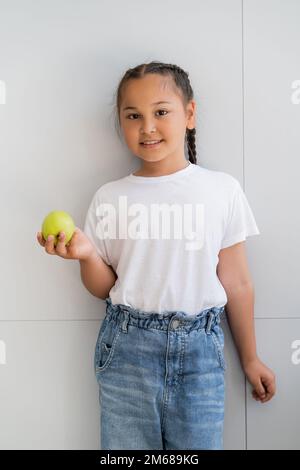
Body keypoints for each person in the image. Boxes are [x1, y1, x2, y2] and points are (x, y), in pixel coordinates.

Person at [37, 61, 276, 450]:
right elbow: (104, 288)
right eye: (133, 116)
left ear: (190, 114)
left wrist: (250, 359)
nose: (147, 126)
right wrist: (84, 255)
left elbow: (238, 282)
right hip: (127, 351)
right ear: (121, 122)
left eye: (161, 112)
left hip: (201, 355)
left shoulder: (221, 190)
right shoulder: (109, 197)